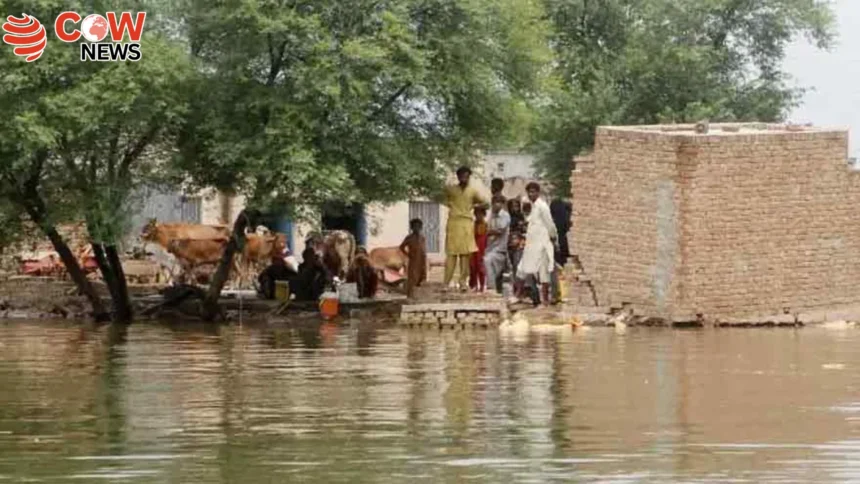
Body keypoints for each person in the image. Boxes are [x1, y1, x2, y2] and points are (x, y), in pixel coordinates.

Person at [442, 166, 489, 291]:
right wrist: (450, 204)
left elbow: (486, 203)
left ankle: (463, 283)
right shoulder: (451, 190)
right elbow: (440, 196)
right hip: (453, 222)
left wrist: (474, 205)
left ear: (469, 177)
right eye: (462, 175)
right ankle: (446, 283)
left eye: (466, 175)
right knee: (451, 254)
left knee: (465, 255)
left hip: (467, 222)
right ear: (458, 176)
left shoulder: (473, 191)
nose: (464, 178)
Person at [514, 183, 557, 306]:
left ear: (538, 192)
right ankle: (518, 294)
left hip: (542, 243)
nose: (531, 194)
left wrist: (553, 238)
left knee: (543, 272)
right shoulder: (530, 206)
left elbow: (550, 224)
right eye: (529, 192)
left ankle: (545, 301)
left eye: (534, 192)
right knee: (522, 268)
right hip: (532, 243)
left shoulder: (542, 206)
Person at [484, 194, 510, 294]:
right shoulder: (491, 215)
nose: (497, 205)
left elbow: (500, 230)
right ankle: (495, 290)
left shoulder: (505, 215)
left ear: (503, 204)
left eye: (499, 202)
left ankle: (491, 288)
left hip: (500, 249)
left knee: (487, 261)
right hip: (490, 248)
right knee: (492, 270)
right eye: (495, 202)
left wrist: (487, 232)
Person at [399, 218, 428, 298]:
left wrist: (425, 258)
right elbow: (401, 247)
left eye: (418, 226)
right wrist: (408, 254)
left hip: (422, 260)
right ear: (412, 227)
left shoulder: (422, 238)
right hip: (414, 260)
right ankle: (410, 296)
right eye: (415, 226)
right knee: (412, 278)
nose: (417, 228)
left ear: (421, 227)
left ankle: (420, 296)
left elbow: (423, 249)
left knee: (422, 277)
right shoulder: (409, 237)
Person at [469, 206, 489, 292]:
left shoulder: (485, 225)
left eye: (480, 214)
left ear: (484, 215)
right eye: (476, 214)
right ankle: (474, 285)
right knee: (473, 267)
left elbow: (485, 237)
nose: (478, 216)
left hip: (482, 247)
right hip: (473, 246)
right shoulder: (473, 224)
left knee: (481, 267)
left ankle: (482, 286)